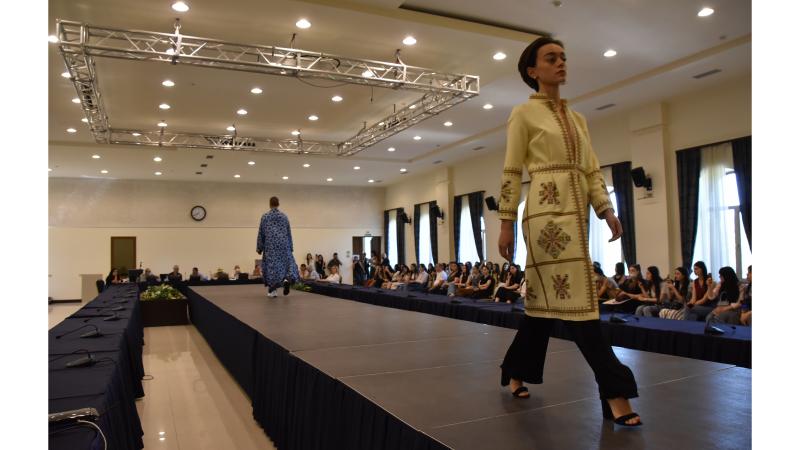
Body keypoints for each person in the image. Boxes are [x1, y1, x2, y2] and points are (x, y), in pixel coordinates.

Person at [496, 37, 640, 427]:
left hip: (577, 217)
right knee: (580, 304)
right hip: (544, 218)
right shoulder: (523, 114)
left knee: (543, 308)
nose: (561, 63)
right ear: (532, 70)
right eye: (551, 58)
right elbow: (512, 170)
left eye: (563, 57)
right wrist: (506, 223)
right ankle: (615, 391)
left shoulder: (578, 119)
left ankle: (515, 370)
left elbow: (591, 168)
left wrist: (606, 209)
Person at [257, 197, 300, 298]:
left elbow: (261, 233)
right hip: (284, 246)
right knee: (286, 266)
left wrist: (259, 247)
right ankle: (286, 280)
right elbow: (288, 233)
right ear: (278, 204)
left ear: (270, 204)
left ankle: (273, 291)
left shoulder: (265, 217)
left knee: (272, 268)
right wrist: (290, 247)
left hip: (270, 246)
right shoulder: (284, 217)